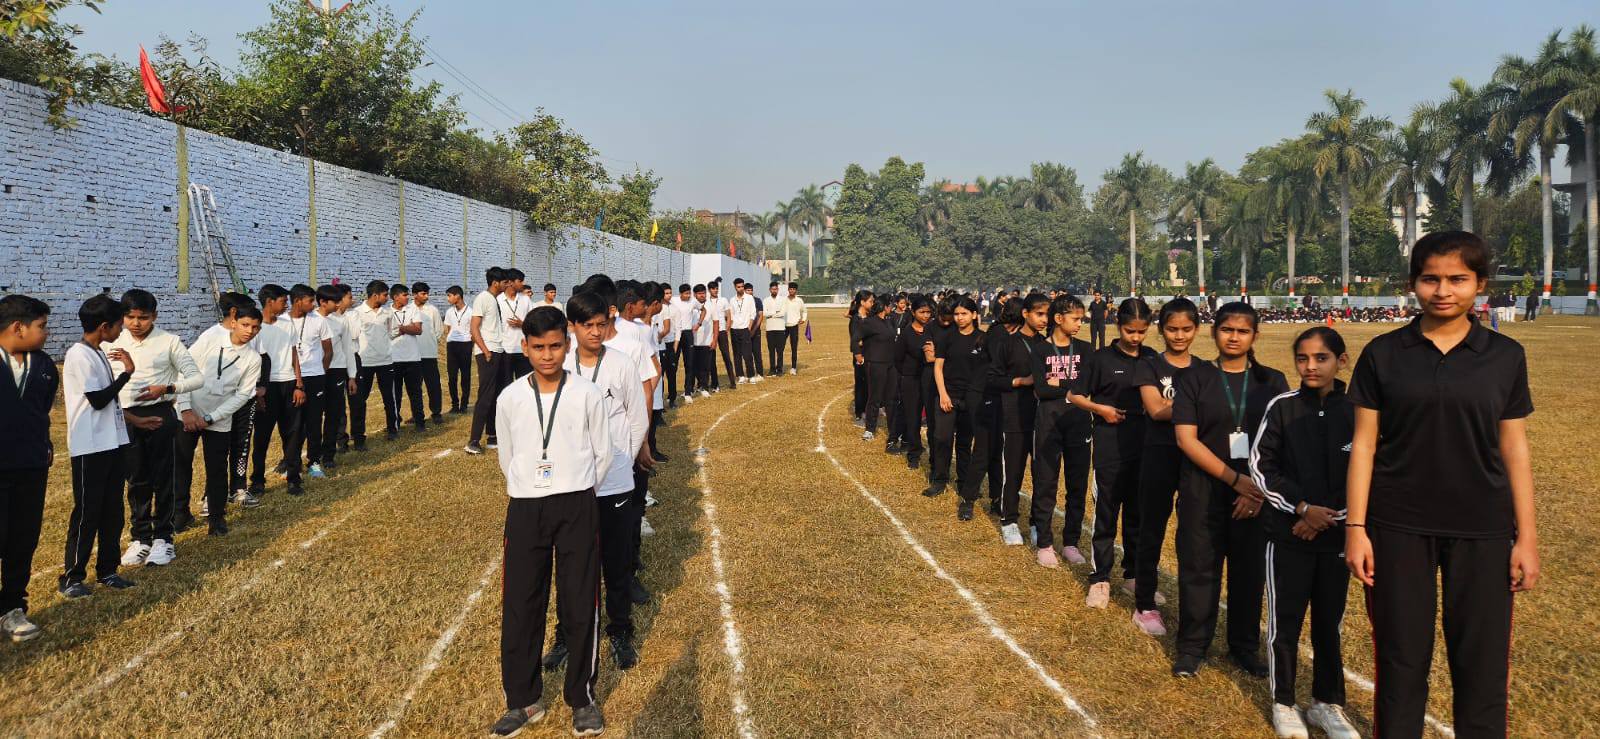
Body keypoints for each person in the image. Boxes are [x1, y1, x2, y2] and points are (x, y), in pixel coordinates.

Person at [1344, 231, 1538, 738]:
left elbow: (1514, 449)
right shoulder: (1383, 354)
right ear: (1413, 284)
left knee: (1481, 667)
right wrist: (1357, 529)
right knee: (1401, 661)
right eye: (1431, 278)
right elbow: (1364, 445)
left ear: (1480, 285)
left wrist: (1528, 539)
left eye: (1458, 279)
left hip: (1483, 530)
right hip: (1397, 526)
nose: (1443, 290)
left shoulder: (1504, 356)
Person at [490, 306, 609, 738]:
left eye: (555, 346)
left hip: (576, 502)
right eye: (538, 347)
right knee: (521, 603)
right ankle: (522, 700)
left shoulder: (586, 394)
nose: (547, 356)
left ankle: (582, 697)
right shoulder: (509, 398)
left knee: (580, 601)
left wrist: (573, 484)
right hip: (525, 505)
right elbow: (508, 455)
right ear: (525, 348)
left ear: (567, 344)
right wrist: (530, 484)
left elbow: (602, 451)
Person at [1250, 326, 1361, 739]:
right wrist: (1301, 508)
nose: (1311, 366)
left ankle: (1327, 703)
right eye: (1302, 359)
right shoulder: (1282, 406)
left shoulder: (1357, 409)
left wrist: (1331, 517)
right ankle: (1284, 702)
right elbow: (1262, 467)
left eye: (1321, 358)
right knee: (1286, 622)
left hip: (1337, 537)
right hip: (1288, 535)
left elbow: (1370, 471)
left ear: (1341, 361)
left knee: (1328, 623)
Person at [1171, 301, 1289, 679]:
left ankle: (1243, 647)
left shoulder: (1272, 382)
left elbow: (1279, 443)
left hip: (1257, 496)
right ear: (1214, 332)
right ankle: (1192, 647)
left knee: (1248, 573)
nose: (1233, 337)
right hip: (1203, 491)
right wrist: (1236, 481)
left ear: (1255, 335)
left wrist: (1255, 491)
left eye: (1242, 331)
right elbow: (1187, 440)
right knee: (1199, 570)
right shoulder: (1195, 378)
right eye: (1227, 329)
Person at [539, 290, 650, 678]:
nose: (596, 331)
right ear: (572, 327)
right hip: (571, 485)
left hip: (615, 482)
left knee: (616, 564)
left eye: (602, 324)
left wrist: (622, 463)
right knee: (571, 567)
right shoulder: (560, 364)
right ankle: (567, 635)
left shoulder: (620, 365)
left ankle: (621, 631)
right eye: (587, 325)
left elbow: (637, 419)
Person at [1070, 298, 1156, 606]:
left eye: (1141, 332)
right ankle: (1100, 578)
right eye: (1130, 331)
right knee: (1106, 513)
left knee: (1137, 514)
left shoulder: (1151, 358)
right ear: (1118, 325)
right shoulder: (1100, 358)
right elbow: (1075, 395)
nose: (1135, 338)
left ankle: (1132, 574)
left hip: (1144, 448)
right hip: (1109, 446)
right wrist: (1101, 409)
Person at [108, 289, 202, 566]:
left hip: (160, 414)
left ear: (155, 317)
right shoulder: (113, 341)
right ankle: (140, 538)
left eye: (143, 318)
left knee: (163, 477)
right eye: (130, 317)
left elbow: (196, 378)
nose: (136, 323)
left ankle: (164, 538)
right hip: (125, 417)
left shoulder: (169, 342)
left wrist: (168, 388)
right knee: (136, 479)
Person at [60, 294, 137, 599]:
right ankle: (72, 576)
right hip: (90, 446)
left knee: (112, 510)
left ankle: (108, 569)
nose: (122, 331)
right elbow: (98, 399)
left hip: (112, 442)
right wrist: (127, 375)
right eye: (119, 325)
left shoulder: (99, 352)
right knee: (87, 512)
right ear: (104, 326)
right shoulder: (78, 355)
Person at [1130, 297, 1198, 636]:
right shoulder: (1150, 366)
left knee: (1192, 534)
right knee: (1151, 530)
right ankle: (1145, 603)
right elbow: (1156, 410)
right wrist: (1194, 404)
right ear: (1162, 330)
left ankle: (1193, 606)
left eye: (1186, 329)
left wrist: (1180, 405)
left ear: (1197, 330)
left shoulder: (1203, 369)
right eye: (1172, 329)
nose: (1179, 335)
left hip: (1193, 459)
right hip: (1158, 455)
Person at [174, 304, 262, 538]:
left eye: (255, 327)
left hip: (219, 419)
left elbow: (243, 395)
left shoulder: (252, 359)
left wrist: (211, 418)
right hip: (188, 413)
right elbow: (184, 370)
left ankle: (217, 517)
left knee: (217, 468)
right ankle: (179, 513)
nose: (249, 331)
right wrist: (185, 410)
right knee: (180, 464)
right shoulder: (211, 339)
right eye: (245, 325)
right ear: (233, 322)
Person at [0, 295, 56, 640]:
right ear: (18, 327)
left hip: (31, 467)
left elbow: (41, 412)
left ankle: (12, 608)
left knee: (23, 539)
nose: (46, 333)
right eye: (42, 326)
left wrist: (43, 446)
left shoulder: (45, 366)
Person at [1028, 294, 1093, 567]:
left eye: (1081, 318)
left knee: (1077, 485)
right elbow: (1041, 389)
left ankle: (1070, 542)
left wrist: (1058, 383)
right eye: (1075, 318)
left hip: (1079, 423)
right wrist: (1068, 387)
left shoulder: (1086, 349)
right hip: (1048, 423)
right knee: (1045, 482)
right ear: (1058, 318)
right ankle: (1044, 542)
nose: (1080, 323)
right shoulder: (1041, 350)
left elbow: (1086, 385)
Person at [991, 293, 1047, 545]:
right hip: (1014, 416)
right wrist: (1021, 382)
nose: (1044, 319)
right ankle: (1009, 520)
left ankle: (1037, 523)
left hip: (1042, 419)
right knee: (1012, 471)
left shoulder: (1047, 344)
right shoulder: (1008, 343)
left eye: (1047, 314)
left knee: (1041, 474)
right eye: (1040, 314)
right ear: (1025, 314)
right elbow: (993, 378)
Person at [927, 295, 984, 501]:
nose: (959, 318)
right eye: (957, 314)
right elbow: (938, 366)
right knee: (942, 439)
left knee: (964, 442)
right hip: (947, 396)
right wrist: (943, 394)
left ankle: (964, 482)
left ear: (974, 315)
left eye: (964, 314)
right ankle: (940, 479)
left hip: (971, 399)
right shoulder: (947, 338)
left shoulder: (982, 339)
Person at [251, 284, 307, 497]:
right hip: (266, 388)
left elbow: (294, 355)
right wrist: (257, 391)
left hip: (289, 384)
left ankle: (294, 478)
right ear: (269, 302)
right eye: (283, 301)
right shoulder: (255, 329)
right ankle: (257, 480)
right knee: (262, 437)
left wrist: (299, 385)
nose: (287, 305)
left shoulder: (287, 324)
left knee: (292, 435)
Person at [284, 285, 331, 480]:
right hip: (291, 379)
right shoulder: (282, 321)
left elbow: (328, 351)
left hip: (315, 378)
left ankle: (314, 461)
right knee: (293, 425)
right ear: (297, 301)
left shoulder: (318, 320)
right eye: (310, 301)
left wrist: (320, 371)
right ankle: (291, 463)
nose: (313, 304)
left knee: (313, 421)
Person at [352, 280, 398, 448]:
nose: (387, 298)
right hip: (365, 362)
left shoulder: (387, 313)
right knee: (360, 400)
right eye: (385, 295)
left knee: (388, 398)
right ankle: (358, 436)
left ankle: (392, 429)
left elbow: (391, 332)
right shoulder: (357, 313)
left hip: (385, 361)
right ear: (375, 295)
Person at [466, 268, 507, 454]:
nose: (507, 285)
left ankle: (492, 435)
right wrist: (485, 350)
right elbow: (474, 328)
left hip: (498, 349)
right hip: (488, 351)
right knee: (485, 395)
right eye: (505, 282)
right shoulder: (483, 298)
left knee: (496, 395)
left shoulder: (494, 300)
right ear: (495, 282)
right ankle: (473, 441)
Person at [894, 296, 936, 469]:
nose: (926, 315)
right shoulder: (906, 333)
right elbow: (898, 359)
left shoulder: (933, 330)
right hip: (911, 380)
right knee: (913, 418)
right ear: (913, 312)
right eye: (922, 312)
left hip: (931, 380)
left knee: (933, 419)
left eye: (928, 312)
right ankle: (914, 453)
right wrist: (906, 375)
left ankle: (936, 456)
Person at [315, 285, 353, 472]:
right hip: (314, 373)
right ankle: (312, 456)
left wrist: (351, 376)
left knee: (333, 415)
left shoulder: (340, 323)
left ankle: (328, 454)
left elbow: (348, 350)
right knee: (311, 417)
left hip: (336, 371)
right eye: (336, 301)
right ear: (323, 302)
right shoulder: (310, 320)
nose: (339, 305)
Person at [388, 283, 426, 432]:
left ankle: (420, 422)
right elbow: (387, 332)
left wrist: (401, 328)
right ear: (396, 297)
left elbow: (418, 329)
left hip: (412, 358)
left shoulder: (412, 309)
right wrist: (407, 327)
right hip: (393, 358)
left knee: (415, 392)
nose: (407, 297)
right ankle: (395, 423)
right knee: (395, 394)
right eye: (404, 295)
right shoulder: (386, 311)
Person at [858, 298, 897, 442]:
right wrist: (860, 355)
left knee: (891, 398)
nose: (892, 308)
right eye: (890, 305)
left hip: (891, 364)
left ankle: (894, 430)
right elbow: (856, 339)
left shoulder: (889, 320)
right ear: (884, 307)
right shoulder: (869, 322)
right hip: (876, 363)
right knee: (875, 397)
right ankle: (870, 429)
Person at [414, 282, 445, 423]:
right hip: (413, 355)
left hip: (429, 354)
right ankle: (417, 414)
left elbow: (439, 331)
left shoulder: (432, 310)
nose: (426, 296)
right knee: (414, 387)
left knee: (433, 385)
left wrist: (430, 343)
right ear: (415, 294)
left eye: (427, 293)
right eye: (423, 294)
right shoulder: (408, 309)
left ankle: (436, 413)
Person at [443, 285, 474, 413]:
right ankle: (455, 404)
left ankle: (464, 404)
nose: (448, 299)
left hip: (465, 345)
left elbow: (473, 330)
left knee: (465, 376)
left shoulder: (471, 312)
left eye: (449, 295)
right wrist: (451, 339)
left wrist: (469, 344)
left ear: (458, 296)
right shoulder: (450, 312)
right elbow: (448, 329)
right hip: (452, 345)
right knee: (452, 377)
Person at [499, 269, 534, 380]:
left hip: (523, 349)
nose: (523, 284)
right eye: (520, 281)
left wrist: (522, 324)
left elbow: (533, 322)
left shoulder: (526, 300)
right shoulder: (498, 300)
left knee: (525, 384)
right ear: (510, 282)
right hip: (505, 349)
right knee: (505, 384)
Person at [730, 278, 758, 384]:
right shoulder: (732, 300)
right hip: (734, 329)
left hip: (745, 329)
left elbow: (753, 314)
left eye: (742, 286)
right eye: (738, 287)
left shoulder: (749, 298)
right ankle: (740, 375)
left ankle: (751, 375)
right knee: (737, 355)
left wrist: (749, 327)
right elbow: (731, 315)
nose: (741, 288)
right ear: (735, 287)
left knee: (747, 355)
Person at [690, 284, 715, 399]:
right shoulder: (691, 306)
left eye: (704, 293)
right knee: (693, 366)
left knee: (705, 367)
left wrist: (714, 340)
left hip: (706, 341)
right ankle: (694, 387)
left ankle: (704, 387)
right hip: (693, 342)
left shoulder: (710, 305)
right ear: (695, 294)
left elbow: (716, 323)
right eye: (700, 294)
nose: (702, 295)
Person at [708, 280, 733, 391]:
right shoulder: (706, 302)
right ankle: (715, 384)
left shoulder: (723, 300)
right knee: (711, 359)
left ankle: (732, 381)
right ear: (709, 290)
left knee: (726, 356)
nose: (715, 290)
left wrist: (727, 329)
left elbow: (728, 315)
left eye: (717, 288)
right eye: (713, 288)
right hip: (711, 332)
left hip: (722, 331)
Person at [764, 281, 788, 375]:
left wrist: (771, 314)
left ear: (778, 290)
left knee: (780, 350)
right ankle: (772, 369)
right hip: (770, 328)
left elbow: (783, 313)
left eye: (776, 289)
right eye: (772, 289)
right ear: (770, 290)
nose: (774, 290)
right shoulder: (766, 300)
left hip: (780, 328)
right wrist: (775, 312)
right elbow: (765, 313)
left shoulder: (783, 300)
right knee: (771, 351)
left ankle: (780, 370)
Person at [784, 281, 808, 374]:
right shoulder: (784, 300)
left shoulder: (799, 301)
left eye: (793, 289)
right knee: (780, 347)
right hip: (784, 326)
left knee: (794, 347)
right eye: (790, 289)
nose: (792, 291)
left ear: (796, 290)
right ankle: (779, 367)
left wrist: (803, 319)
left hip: (794, 326)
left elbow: (805, 311)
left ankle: (793, 368)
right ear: (788, 290)